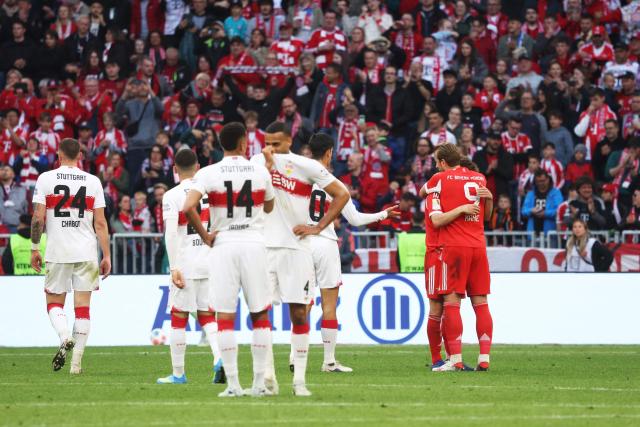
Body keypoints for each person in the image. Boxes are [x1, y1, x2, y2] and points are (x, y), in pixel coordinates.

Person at [250, 121, 350, 396]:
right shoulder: (257, 162)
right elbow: (254, 192)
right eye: (267, 142)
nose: (270, 148)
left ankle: (299, 382)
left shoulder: (307, 167)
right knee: (260, 312)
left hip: (297, 249)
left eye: (276, 144)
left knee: (298, 312)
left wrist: (318, 227)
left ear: (289, 142)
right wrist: (268, 167)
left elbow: (342, 194)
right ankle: (264, 378)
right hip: (263, 248)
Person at [305, 133, 396, 373]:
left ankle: (296, 357)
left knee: (302, 302)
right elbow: (355, 220)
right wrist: (383, 214)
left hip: (302, 245)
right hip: (325, 244)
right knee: (329, 304)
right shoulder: (336, 185)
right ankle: (329, 361)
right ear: (329, 153)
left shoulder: (299, 182)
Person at [30, 138, 111, 374]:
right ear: (80, 156)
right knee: (83, 308)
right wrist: (106, 255)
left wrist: (35, 247)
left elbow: (38, 218)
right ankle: (76, 365)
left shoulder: (46, 178)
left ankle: (64, 335)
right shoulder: (93, 181)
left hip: (58, 251)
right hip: (86, 252)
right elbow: (101, 223)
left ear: (59, 154)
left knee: (54, 303)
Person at [156, 148, 223, 385]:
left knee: (178, 316)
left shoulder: (172, 195)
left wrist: (174, 267)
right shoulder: (210, 193)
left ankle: (178, 374)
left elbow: (171, 233)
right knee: (207, 315)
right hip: (210, 262)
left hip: (185, 263)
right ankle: (218, 357)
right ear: (197, 167)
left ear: (174, 170)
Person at [427, 143, 494, 371]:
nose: (437, 167)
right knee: (481, 302)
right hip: (478, 246)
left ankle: (454, 360)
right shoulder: (479, 179)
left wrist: (459, 208)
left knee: (451, 303)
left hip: (454, 247)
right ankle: (484, 357)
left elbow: (433, 214)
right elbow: (484, 216)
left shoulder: (440, 179)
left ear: (443, 163)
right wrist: (491, 199)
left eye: (437, 162)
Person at [574, 88, 617, 161]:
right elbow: (579, 133)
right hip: (588, 153)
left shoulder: (610, 114)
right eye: (591, 100)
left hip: (604, 152)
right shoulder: (585, 114)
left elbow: (614, 135)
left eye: (595, 99)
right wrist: (588, 115)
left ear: (603, 98)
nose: (593, 103)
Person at [522, 169, 563, 235]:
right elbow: (523, 211)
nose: (540, 183)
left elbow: (559, 211)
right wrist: (531, 211)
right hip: (532, 234)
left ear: (548, 179)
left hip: (550, 234)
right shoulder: (530, 193)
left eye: (543, 181)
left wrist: (545, 213)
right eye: (538, 181)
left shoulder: (556, 193)